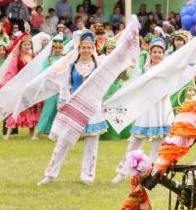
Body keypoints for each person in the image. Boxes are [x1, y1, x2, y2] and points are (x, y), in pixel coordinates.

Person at [39, 32, 107, 185]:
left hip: (92, 108)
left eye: (89, 47)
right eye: (84, 47)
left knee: (91, 143)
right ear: (79, 48)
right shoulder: (71, 66)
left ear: (93, 48)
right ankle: (50, 174)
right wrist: (63, 102)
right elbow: (65, 86)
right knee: (63, 141)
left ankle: (87, 175)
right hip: (74, 107)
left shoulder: (99, 66)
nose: (87, 50)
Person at [113, 37, 174, 183]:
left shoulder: (167, 69)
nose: (157, 54)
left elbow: (172, 84)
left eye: (160, 52)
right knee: (135, 141)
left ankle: (151, 174)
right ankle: (122, 171)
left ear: (163, 54)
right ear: (150, 53)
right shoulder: (143, 70)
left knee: (158, 143)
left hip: (161, 107)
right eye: (154, 51)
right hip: (147, 108)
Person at [1, 35, 43, 139]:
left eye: (29, 44)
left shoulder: (34, 56)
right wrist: (6, 83)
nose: (27, 46)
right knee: (17, 109)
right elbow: (11, 71)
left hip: (32, 86)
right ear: (21, 45)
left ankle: (32, 133)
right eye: (25, 44)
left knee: (33, 108)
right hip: (21, 87)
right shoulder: (17, 57)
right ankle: (8, 134)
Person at [34, 36, 66, 138]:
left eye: (60, 48)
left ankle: (57, 133)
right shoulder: (49, 59)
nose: (57, 50)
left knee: (61, 112)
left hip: (63, 89)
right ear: (52, 48)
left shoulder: (66, 58)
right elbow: (44, 72)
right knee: (47, 111)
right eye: (56, 48)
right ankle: (36, 133)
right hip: (52, 89)